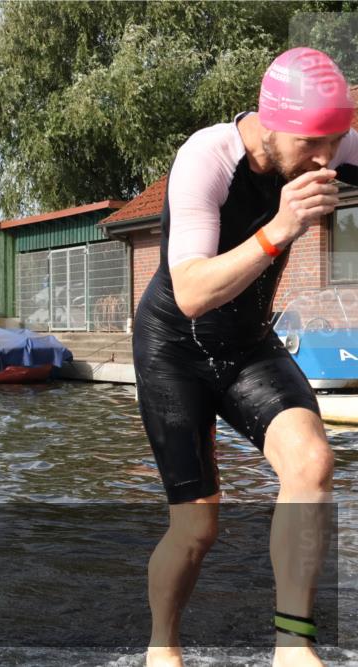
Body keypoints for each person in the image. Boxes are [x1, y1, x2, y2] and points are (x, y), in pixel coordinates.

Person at [132, 47, 356, 667]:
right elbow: (194, 293)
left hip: (249, 343)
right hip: (174, 347)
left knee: (312, 461)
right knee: (198, 526)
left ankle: (292, 645)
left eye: (337, 142)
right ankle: (161, 648)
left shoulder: (329, 144)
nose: (325, 160)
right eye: (315, 143)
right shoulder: (206, 160)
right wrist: (279, 229)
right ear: (272, 121)